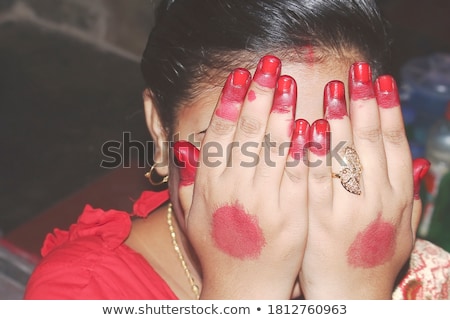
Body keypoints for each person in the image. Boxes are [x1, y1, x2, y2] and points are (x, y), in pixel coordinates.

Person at [24, 0, 450, 300]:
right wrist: (244, 293)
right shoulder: (80, 294)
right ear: (161, 129)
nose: (294, 186)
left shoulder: (413, 276)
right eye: (244, 148)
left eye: (332, 144)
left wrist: (358, 294)